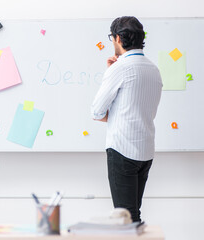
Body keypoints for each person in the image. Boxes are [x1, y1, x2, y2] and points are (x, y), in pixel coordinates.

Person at [91, 16, 162, 222]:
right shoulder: (153, 69)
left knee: (125, 218)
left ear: (118, 39)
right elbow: (136, 108)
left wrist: (111, 72)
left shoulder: (120, 69)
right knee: (134, 215)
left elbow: (96, 111)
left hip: (122, 150)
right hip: (145, 151)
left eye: (111, 38)